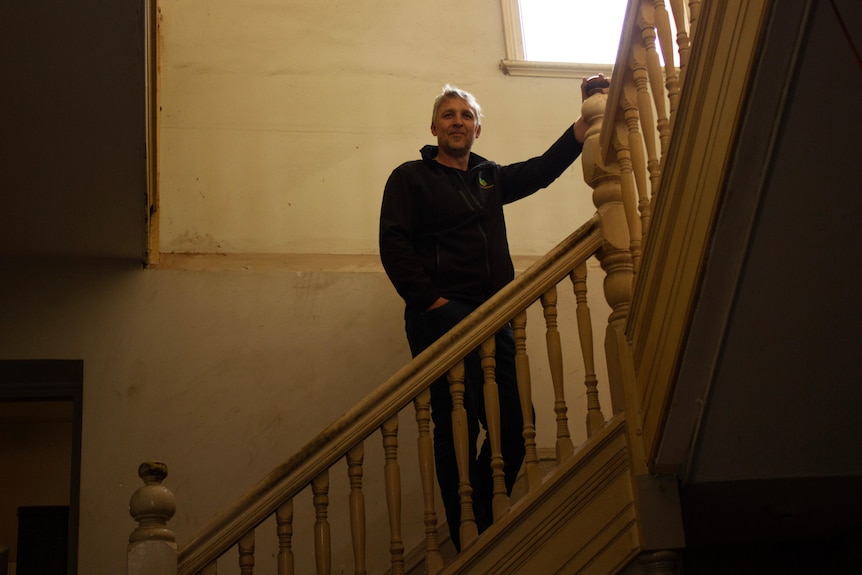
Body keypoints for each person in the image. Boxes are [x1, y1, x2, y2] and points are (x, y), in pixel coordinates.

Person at [379, 80, 597, 550]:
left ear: (478, 128)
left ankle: (474, 512)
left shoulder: (489, 178)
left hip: (494, 315)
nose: (458, 121)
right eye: (449, 115)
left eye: (466, 115)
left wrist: (582, 126)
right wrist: (431, 302)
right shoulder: (410, 177)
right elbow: (393, 243)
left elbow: (540, 172)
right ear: (434, 126)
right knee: (455, 420)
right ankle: (467, 530)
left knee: (518, 424)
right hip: (439, 316)